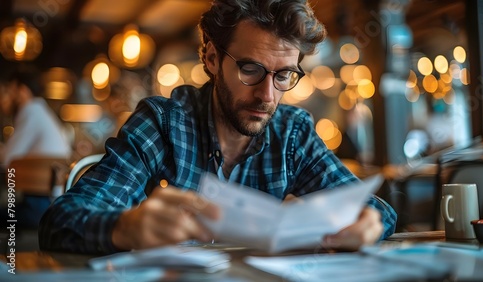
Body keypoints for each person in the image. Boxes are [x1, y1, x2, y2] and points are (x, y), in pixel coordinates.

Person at [39, 0, 397, 254]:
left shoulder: (292, 133)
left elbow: (378, 211)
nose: (267, 95)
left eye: (284, 74)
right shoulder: (162, 123)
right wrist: (125, 227)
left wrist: (367, 223)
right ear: (211, 58)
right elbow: (59, 223)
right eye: (251, 69)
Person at [0, 69, 71, 228]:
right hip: (50, 202)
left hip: (40, 207)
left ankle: (9, 252)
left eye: (9, 91)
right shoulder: (41, 111)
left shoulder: (31, 111)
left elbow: (7, 159)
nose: (5, 98)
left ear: (22, 90)